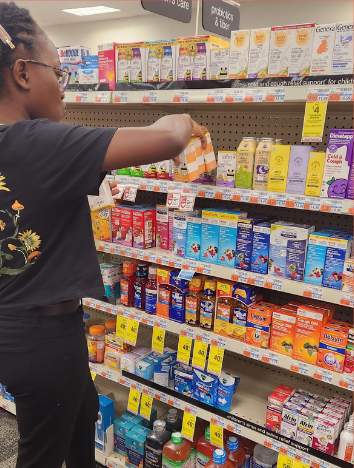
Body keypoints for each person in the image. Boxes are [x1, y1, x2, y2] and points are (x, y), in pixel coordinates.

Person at [0, 3, 206, 468]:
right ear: (23, 72)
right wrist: (189, 123)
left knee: (82, 416)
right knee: (44, 452)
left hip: (24, 323)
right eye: (60, 72)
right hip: (38, 334)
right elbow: (170, 138)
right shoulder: (38, 142)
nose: (64, 88)